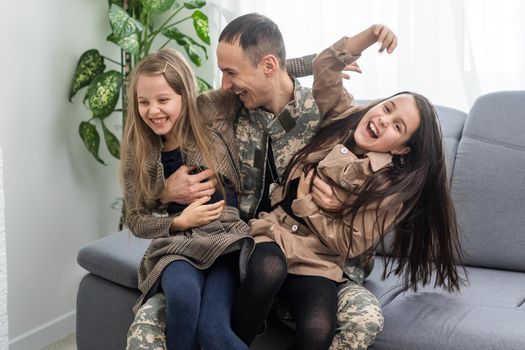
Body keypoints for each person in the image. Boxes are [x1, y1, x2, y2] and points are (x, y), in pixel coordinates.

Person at [128, 13, 384, 350]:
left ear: (268, 66)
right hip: (241, 253)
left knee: (361, 318)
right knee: (149, 329)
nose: (224, 84)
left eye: (231, 73)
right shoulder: (223, 108)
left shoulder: (326, 111)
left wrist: (349, 50)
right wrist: (165, 193)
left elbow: (378, 169)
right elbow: (171, 127)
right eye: (223, 72)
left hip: (311, 260)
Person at [232, 24, 466, 350]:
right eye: (387, 108)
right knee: (268, 269)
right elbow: (325, 67)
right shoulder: (341, 117)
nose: (383, 120)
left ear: (401, 148)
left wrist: (310, 204)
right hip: (275, 233)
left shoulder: (390, 190)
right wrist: (370, 35)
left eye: (397, 126)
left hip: (319, 260)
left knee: (318, 329)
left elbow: (348, 242)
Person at [120, 48, 256, 350]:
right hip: (178, 244)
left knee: (212, 329)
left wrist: (344, 50)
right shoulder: (138, 148)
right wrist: (178, 220)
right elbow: (135, 219)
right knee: (183, 297)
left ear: (185, 94)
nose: (153, 110)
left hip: (225, 240)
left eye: (163, 100)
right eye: (144, 102)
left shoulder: (209, 110)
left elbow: (267, 71)